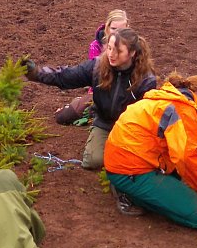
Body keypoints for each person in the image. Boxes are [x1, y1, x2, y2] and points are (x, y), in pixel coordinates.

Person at [102, 71, 197, 226]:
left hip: (129, 160)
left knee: (180, 180)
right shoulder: (183, 109)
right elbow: (188, 159)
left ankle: (129, 188)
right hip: (131, 169)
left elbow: (195, 154)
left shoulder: (173, 98)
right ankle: (128, 192)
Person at [24, 28, 156, 172]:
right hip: (104, 122)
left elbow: (146, 119)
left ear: (132, 53)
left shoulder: (145, 80)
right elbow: (65, 76)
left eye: (118, 51)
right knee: (93, 161)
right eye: (109, 48)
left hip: (130, 128)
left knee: (130, 163)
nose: (111, 54)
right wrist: (35, 72)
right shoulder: (97, 67)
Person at [55, 9, 131, 125]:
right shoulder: (96, 46)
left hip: (126, 93)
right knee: (65, 116)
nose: (117, 33)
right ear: (107, 27)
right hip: (101, 92)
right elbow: (95, 75)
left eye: (121, 29)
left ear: (128, 28)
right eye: (113, 29)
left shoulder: (134, 47)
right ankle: (74, 105)